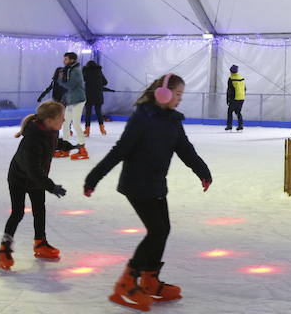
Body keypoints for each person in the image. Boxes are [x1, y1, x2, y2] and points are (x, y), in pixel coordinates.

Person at [84, 74, 212, 310]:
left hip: (155, 184)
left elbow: (184, 148)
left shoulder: (172, 120)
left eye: (182, 95)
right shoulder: (142, 118)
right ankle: (127, 282)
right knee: (157, 230)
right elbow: (120, 150)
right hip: (136, 184)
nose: (180, 99)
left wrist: (202, 171)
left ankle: (150, 280)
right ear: (163, 93)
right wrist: (94, 177)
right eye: (178, 94)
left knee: (163, 230)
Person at [0, 101, 72, 271]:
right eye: (61, 117)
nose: (64, 120)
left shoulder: (50, 130)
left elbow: (51, 142)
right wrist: (51, 187)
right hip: (19, 178)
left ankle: (40, 243)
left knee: (40, 209)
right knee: (18, 213)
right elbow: (34, 170)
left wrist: (64, 145)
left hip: (36, 179)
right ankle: (4, 249)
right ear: (50, 120)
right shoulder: (32, 140)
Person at [56, 52, 87, 160]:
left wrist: (60, 79)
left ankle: (83, 150)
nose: (64, 61)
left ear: (72, 60)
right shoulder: (70, 70)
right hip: (71, 100)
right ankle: (65, 149)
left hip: (78, 100)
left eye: (66, 59)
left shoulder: (76, 71)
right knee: (65, 124)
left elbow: (71, 85)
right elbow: (69, 87)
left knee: (76, 124)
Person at [83, 60, 113, 136]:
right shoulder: (99, 71)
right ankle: (102, 129)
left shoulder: (86, 71)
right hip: (98, 95)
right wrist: (98, 84)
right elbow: (105, 82)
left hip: (89, 95)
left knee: (88, 113)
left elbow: (83, 80)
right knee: (98, 113)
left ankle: (87, 130)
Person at [225, 65, 246, 131]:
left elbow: (229, 90)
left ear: (231, 71)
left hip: (234, 98)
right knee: (238, 112)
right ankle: (241, 125)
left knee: (230, 111)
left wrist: (228, 99)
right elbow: (244, 88)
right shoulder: (242, 77)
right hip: (242, 97)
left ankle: (229, 125)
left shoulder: (231, 78)